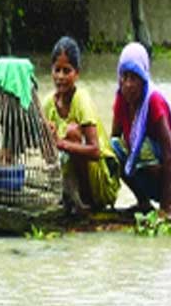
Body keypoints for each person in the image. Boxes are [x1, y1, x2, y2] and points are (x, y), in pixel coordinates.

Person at [111, 42, 171, 219]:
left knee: (145, 148)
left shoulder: (153, 101)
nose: (129, 84)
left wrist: (163, 209)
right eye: (125, 77)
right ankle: (143, 202)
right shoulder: (121, 100)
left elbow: (170, 157)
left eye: (135, 78)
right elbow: (114, 139)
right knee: (115, 147)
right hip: (151, 176)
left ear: (144, 78)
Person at [42, 36, 119, 213]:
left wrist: (61, 143)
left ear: (77, 73)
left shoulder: (81, 99)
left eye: (66, 71)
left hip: (100, 181)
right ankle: (67, 197)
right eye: (57, 70)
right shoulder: (48, 103)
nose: (60, 77)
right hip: (70, 177)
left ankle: (87, 202)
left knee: (72, 133)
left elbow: (95, 150)